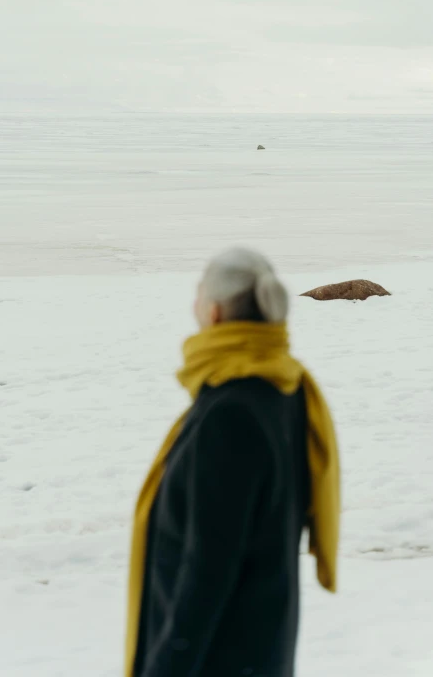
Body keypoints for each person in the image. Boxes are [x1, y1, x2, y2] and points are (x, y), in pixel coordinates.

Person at [126, 248, 340, 677]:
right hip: (260, 646)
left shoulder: (232, 412)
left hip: (220, 657)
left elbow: (207, 569)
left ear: (216, 311)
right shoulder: (283, 383)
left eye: (198, 293)